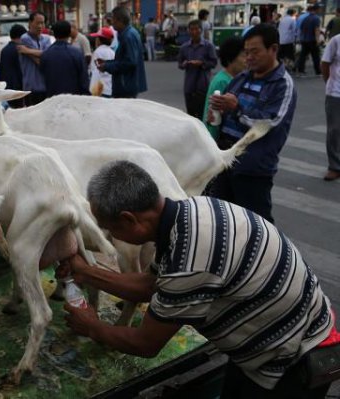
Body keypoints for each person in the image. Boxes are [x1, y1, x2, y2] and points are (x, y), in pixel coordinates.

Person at [61, 160, 335, 399]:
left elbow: (145, 344)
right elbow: (149, 286)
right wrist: (85, 271)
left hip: (292, 359)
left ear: (129, 219)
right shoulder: (191, 212)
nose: (110, 237)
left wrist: (93, 327)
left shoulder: (190, 261)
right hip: (280, 339)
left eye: (110, 229)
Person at [209, 24, 297, 223]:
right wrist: (217, 112)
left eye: (255, 52)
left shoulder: (282, 84)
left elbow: (269, 121)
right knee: (223, 220)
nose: (249, 57)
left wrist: (236, 107)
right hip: (226, 162)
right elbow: (227, 113)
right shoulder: (241, 78)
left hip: (252, 168)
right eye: (246, 52)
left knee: (258, 225)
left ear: (273, 49)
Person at [95, 6, 147, 99]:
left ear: (120, 20)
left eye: (113, 19)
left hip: (126, 85)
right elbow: (124, 59)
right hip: (127, 83)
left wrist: (107, 66)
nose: (112, 22)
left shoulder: (128, 36)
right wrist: (107, 63)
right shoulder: (128, 33)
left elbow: (130, 62)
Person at [203, 37, 246, 140]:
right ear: (230, 59)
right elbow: (214, 116)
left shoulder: (234, 78)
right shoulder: (223, 81)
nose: (247, 60)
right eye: (243, 55)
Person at [177, 19, 218, 119]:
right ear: (188, 31)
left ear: (201, 30)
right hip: (189, 86)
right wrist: (185, 64)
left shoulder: (208, 46)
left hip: (203, 85)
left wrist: (202, 64)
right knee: (190, 115)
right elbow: (179, 64)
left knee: (202, 115)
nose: (194, 32)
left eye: (196, 29)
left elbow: (214, 63)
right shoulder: (184, 47)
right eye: (191, 29)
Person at [40, 20, 89, 97]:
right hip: (73, 97)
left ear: (53, 33)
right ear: (69, 33)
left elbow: (42, 75)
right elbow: (84, 78)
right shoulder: (76, 53)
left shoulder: (46, 54)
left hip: (52, 98)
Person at [18, 12, 52, 106]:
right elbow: (41, 62)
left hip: (45, 86)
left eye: (42, 23)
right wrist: (44, 55)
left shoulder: (46, 39)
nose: (40, 26)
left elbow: (48, 56)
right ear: (30, 23)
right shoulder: (25, 38)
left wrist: (28, 51)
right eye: (37, 23)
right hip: (31, 87)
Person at [322, 34, 340, 181]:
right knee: (334, 130)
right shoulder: (336, 40)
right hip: (336, 93)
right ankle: (334, 166)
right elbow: (325, 63)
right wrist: (329, 82)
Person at [0, 24, 27, 108]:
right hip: (17, 88)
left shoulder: (4, 49)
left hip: (6, 87)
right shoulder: (19, 50)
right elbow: (21, 70)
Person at [296, 4, 322, 77]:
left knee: (302, 56)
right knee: (316, 56)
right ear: (317, 10)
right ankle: (318, 72)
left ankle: (300, 71)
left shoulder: (306, 18)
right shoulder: (316, 18)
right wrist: (317, 40)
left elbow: (301, 28)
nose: (320, 10)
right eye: (319, 9)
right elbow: (316, 29)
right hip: (312, 40)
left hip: (304, 40)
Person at [89, 27, 115, 97]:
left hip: (99, 89)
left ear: (99, 40)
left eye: (97, 38)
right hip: (110, 88)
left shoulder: (97, 52)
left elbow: (94, 71)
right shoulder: (112, 52)